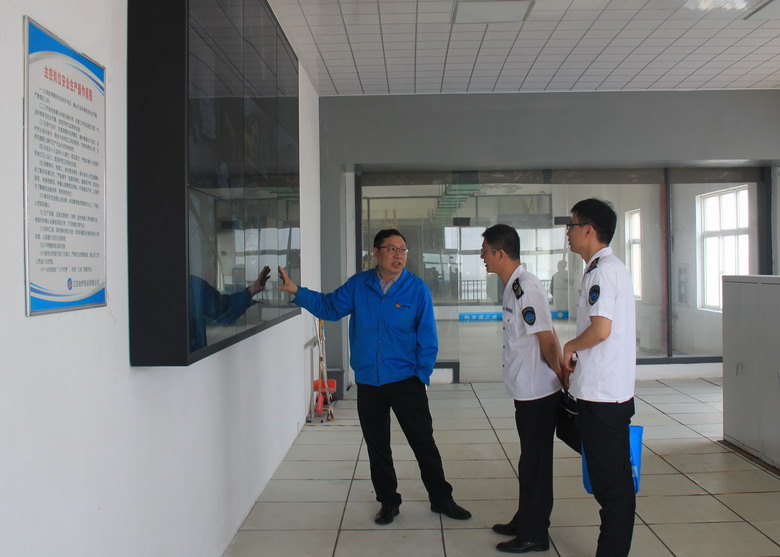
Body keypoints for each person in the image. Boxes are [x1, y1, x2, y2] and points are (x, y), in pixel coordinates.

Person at [277, 229, 471, 525]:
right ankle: (388, 501)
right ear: (376, 252)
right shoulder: (359, 285)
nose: (398, 255)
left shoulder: (416, 289)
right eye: (392, 249)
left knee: (423, 442)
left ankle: (441, 498)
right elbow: (330, 307)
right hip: (369, 382)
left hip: (406, 380)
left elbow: (428, 339)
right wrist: (296, 291)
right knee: (377, 445)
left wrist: (421, 377)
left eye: (403, 249)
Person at [560, 199, 637, 557]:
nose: (568, 233)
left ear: (588, 230)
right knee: (609, 479)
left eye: (572, 226)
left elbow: (601, 329)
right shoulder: (603, 268)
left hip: (605, 398)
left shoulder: (602, 271)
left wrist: (570, 346)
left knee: (613, 487)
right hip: (601, 392)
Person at [480, 224, 563, 554]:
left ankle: (534, 534)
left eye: (485, 251)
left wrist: (562, 377)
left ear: (500, 253)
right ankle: (525, 519)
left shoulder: (525, 288)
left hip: (538, 392)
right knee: (529, 461)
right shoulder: (512, 286)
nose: (482, 257)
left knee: (536, 464)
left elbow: (547, 339)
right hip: (526, 390)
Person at [189, 266, 271, 351]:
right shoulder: (191, 285)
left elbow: (223, 308)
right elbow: (224, 309)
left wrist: (251, 290)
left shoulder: (191, 286)